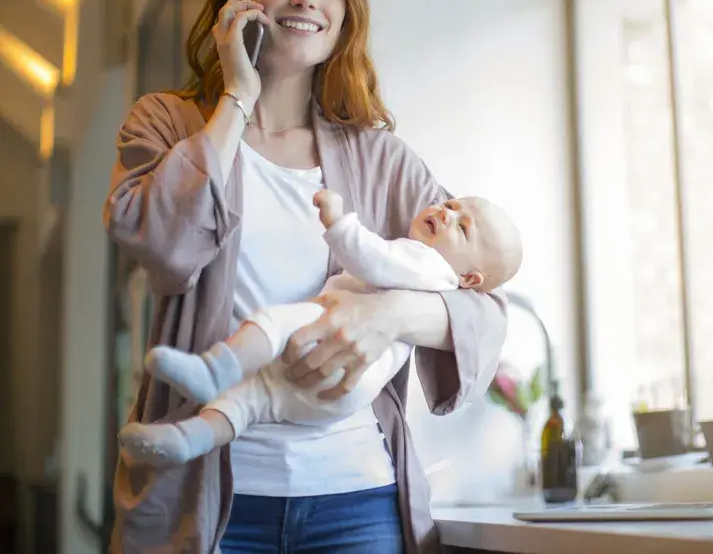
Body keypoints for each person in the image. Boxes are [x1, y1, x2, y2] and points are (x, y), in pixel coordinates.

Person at [103, 0, 509, 554]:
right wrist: (237, 94)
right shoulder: (168, 123)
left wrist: (392, 316)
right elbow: (162, 247)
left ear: (346, 13)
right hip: (206, 501)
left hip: (359, 499)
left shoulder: (382, 159)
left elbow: (483, 310)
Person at [117, 190, 522, 468]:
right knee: (254, 402)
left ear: (470, 278)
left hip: (328, 335)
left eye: (462, 226)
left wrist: (339, 222)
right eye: (449, 203)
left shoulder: (426, 262)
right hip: (343, 394)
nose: (447, 212)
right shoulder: (440, 276)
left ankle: (215, 370)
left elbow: (373, 260)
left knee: (274, 324)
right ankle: (186, 440)